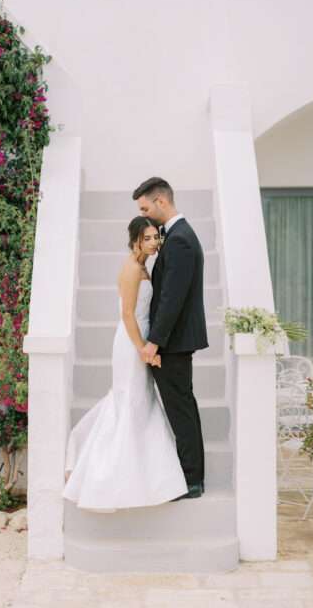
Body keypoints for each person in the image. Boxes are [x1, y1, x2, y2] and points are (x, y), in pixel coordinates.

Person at [63, 216, 188, 510]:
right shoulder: (132, 269)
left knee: (139, 402)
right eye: (147, 238)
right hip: (131, 342)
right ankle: (113, 477)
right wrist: (143, 348)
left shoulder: (144, 265)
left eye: (156, 236)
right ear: (135, 241)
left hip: (139, 338)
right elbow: (128, 314)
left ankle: (149, 477)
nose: (154, 242)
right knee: (130, 401)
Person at [133, 177, 208, 499]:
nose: (145, 215)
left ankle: (192, 480)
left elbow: (172, 298)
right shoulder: (179, 235)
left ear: (161, 202)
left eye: (146, 208)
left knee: (180, 409)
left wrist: (154, 342)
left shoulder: (179, 239)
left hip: (173, 343)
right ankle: (190, 475)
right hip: (175, 341)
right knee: (182, 406)